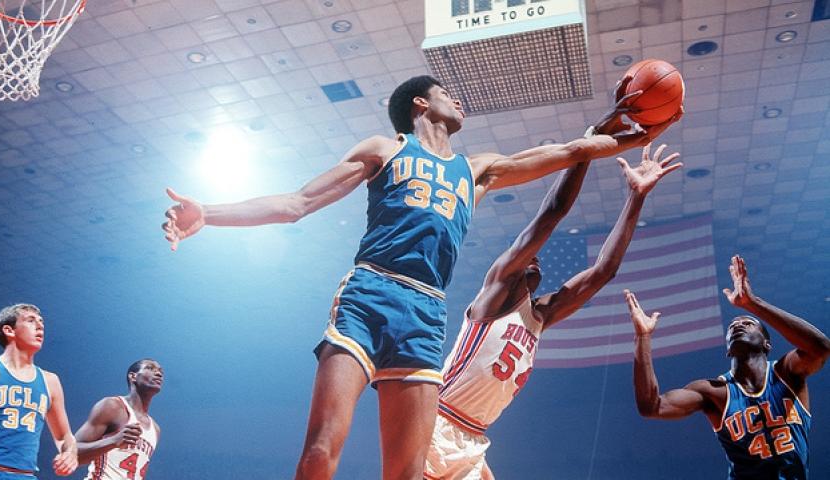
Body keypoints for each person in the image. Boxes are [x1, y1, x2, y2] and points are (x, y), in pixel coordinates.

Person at [162, 75, 680, 479]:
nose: (460, 102)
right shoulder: (384, 150)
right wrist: (209, 212)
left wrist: (623, 136)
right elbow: (297, 203)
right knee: (320, 451)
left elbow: (567, 154)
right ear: (420, 104)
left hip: (427, 311)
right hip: (372, 292)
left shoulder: (475, 169)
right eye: (448, 94)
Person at [424, 142, 682, 479]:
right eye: (527, 255)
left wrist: (636, 196)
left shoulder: (540, 317)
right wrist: (587, 147)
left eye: (538, 259)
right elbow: (551, 213)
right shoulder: (495, 295)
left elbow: (603, 272)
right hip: (439, 420)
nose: (536, 258)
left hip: (473, 436)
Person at [626, 255, 830, 479]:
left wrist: (753, 304)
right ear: (728, 350)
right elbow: (651, 407)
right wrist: (643, 337)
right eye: (732, 327)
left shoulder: (786, 373)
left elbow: (821, 348)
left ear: (767, 344)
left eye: (748, 323)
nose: (737, 325)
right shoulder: (714, 392)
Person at [0, 304, 78, 479]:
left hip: (23, 475)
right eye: (31, 321)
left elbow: (64, 436)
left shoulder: (50, 381)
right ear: (9, 330)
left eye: (41, 322)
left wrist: (70, 453)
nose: (40, 326)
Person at [75, 359, 163, 480]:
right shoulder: (112, 406)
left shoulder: (155, 429)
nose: (158, 373)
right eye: (150, 368)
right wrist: (113, 441)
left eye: (160, 371)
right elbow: (70, 453)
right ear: (133, 376)